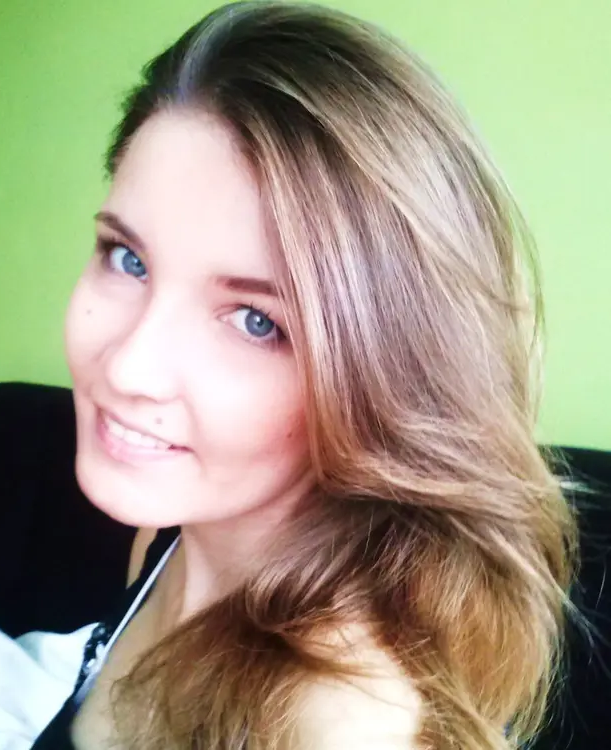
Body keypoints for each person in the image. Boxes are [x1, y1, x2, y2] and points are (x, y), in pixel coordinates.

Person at [32, 2, 578, 748]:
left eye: (257, 322)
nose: (129, 366)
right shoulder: (170, 529)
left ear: (382, 378)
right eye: (128, 260)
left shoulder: (340, 722)